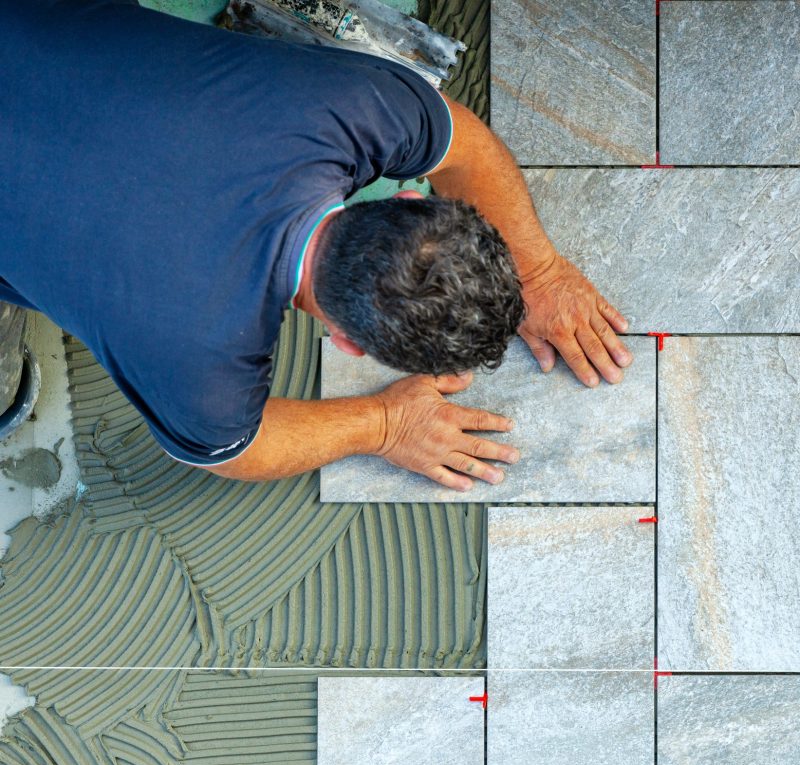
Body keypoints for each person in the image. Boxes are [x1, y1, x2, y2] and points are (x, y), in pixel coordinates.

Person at [1, 0, 632, 492]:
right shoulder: (203, 360)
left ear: (412, 199)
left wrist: (542, 273)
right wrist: (384, 425)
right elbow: (237, 453)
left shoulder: (349, 109)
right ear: (349, 341)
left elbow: (463, 145)